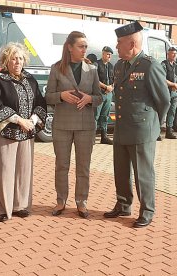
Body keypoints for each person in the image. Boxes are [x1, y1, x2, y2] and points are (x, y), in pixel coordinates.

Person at [103, 21, 170, 228]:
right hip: (122, 128)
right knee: (121, 170)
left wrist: (154, 127)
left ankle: (147, 210)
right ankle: (123, 205)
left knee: (143, 174)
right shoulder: (120, 65)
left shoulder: (150, 66)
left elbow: (164, 100)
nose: (116, 47)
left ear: (132, 43)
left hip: (142, 131)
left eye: (119, 43)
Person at [0, 42, 47, 223]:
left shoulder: (30, 79)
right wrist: (18, 120)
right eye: (13, 58)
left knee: (23, 171)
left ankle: (20, 206)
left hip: (27, 133)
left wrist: (32, 121)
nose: (17, 62)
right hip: (6, 133)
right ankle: (4, 209)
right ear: (6, 60)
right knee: (4, 171)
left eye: (20, 58)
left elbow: (40, 103)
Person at [45, 31, 103, 218]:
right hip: (62, 125)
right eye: (80, 46)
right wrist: (61, 96)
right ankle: (61, 201)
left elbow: (100, 97)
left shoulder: (92, 69)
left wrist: (89, 99)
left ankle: (81, 202)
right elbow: (48, 97)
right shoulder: (57, 68)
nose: (84, 49)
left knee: (83, 167)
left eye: (86, 46)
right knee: (62, 165)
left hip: (85, 126)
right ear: (70, 47)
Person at [161, 47, 177, 139]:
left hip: (174, 93)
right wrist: (174, 84)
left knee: (172, 112)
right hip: (165, 92)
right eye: (172, 53)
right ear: (168, 54)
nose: (174, 55)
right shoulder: (163, 64)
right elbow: (162, 78)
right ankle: (157, 131)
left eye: (175, 53)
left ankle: (169, 131)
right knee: (162, 112)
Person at [95, 46, 115, 145]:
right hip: (99, 93)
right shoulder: (97, 64)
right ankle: (91, 137)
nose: (109, 56)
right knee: (96, 115)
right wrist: (105, 87)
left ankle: (104, 136)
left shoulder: (111, 66)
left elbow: (115, 79)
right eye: (107, 54)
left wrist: (111, 87)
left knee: (105, 116)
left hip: (108, 94)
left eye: (110, 55)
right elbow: (94, 79)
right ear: (103, 54)